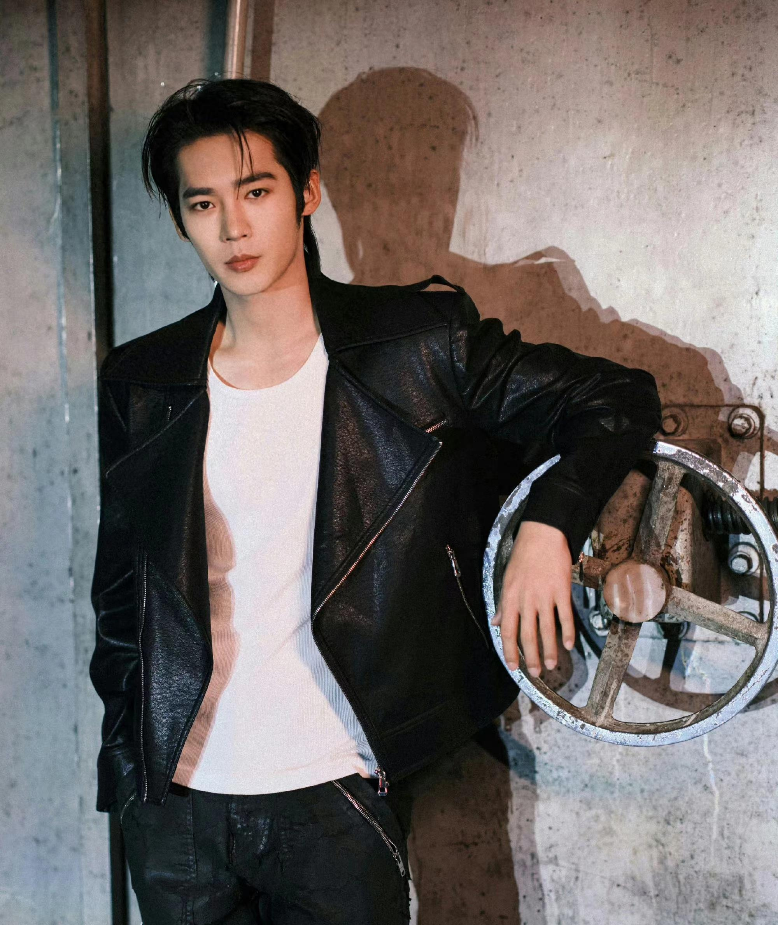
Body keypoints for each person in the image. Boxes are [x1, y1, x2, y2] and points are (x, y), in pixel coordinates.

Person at [89, 77, 661, 924]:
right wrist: (131, 773)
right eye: (203, 203)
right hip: (176, 808)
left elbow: (614, 399)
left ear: (307, 192)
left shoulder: (417, 346)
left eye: (256, 192)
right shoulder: (143, 379)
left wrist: (550, 525)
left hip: (332, 797)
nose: (233, 227)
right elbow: (120, 592)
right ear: (181, 219)